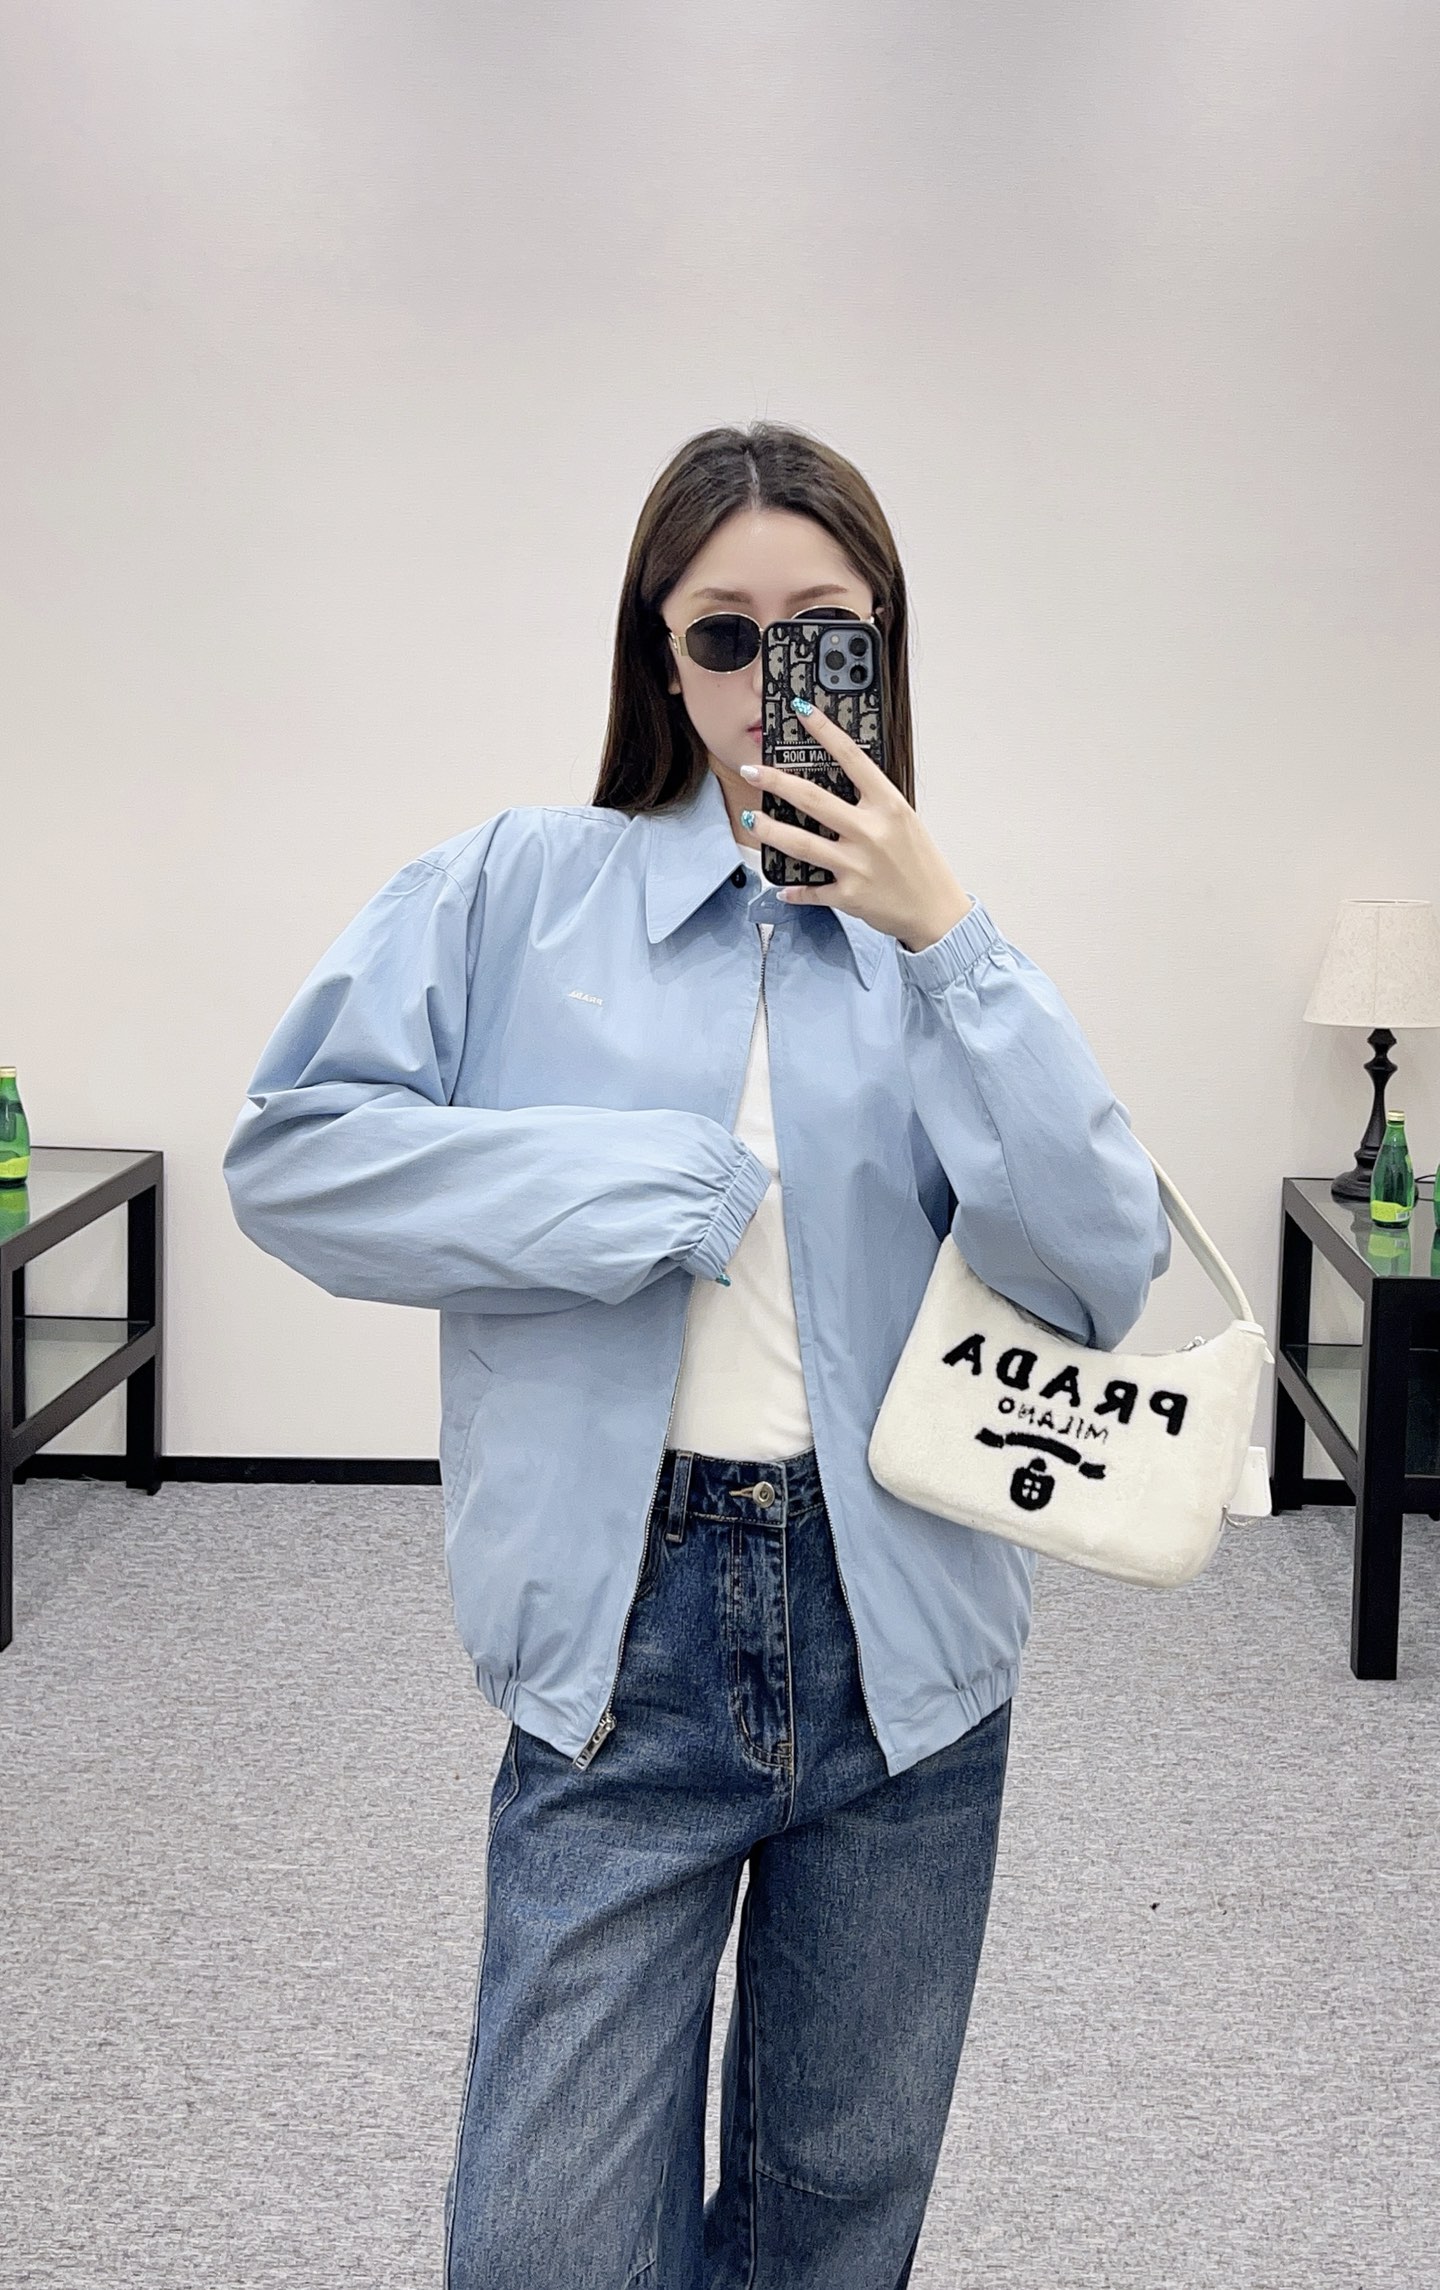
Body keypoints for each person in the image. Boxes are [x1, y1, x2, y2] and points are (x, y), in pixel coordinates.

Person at [222, 422, 1171, 2289]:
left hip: (903, 1645)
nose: (769, 685)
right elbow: (298, 1157)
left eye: (824, 633)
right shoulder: (514, 888)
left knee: (835, 2212)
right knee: (544, 2238)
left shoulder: (940, 956)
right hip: (623, 1648)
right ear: (661, 657)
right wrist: (637, 1188)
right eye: (724, 634)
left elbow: (1098, 1270)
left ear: (885, 650)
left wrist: (950, 939)